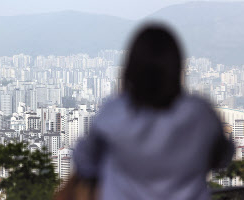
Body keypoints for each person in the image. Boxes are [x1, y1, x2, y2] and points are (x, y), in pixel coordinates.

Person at [73, 24, 234, 200]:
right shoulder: (200, 113)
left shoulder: (114, 112)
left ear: (130, 67)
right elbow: (222, 157)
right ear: (178, 66)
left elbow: (84, 161)